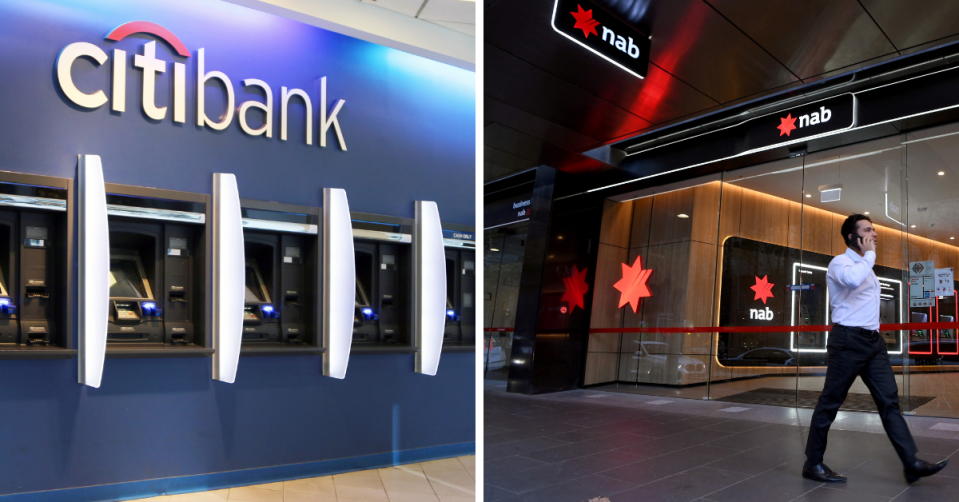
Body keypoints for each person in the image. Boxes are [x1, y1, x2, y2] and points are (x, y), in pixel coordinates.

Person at [803, 214, 948, 484]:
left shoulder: (866, 266)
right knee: (830, 403)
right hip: (847, 340)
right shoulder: (841, 262)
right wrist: (869, 255)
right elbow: (851, 281)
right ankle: (813, 463)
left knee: (889, 402)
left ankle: (911, 463)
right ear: (852, 237)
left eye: (874, 230)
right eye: (868, 230)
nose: (874, 234)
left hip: (873, 343)